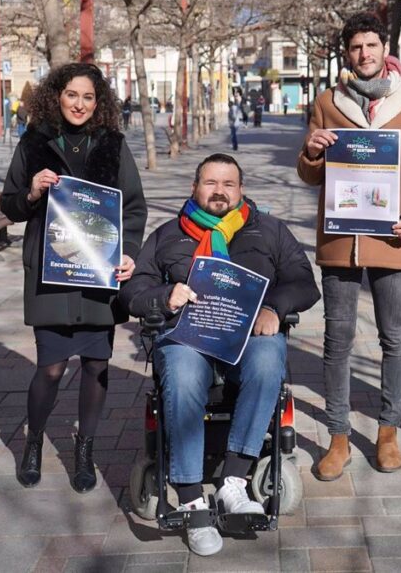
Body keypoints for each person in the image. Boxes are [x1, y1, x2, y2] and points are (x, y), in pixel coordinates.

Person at [121, 153, 320, 556]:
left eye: (228, 184)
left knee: (269, 359)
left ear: (241, 190)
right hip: (187, 337)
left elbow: (304, 282)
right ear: (195, 188)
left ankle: (233, 481)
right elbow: (133, 293)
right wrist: (165, 295)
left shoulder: (269, 231)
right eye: (210, 183)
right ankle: (192, 497)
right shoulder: (167, 235)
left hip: (249, 336)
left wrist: (274, 308)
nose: (219, 191)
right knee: (181, 372)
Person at [296, 12, 401, 480]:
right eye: (355, 47)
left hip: (393, 238)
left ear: (386, 49)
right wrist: (313, 151)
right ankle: (338, 437)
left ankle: (388, 432)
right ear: (347, 54)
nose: (364, 54)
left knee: (394, 337)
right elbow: (309, 174)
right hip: (342, 239)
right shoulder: (327, 102)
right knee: (336, 340)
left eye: (371, 45)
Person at [0, 63, 148, 493]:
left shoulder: (113, 145)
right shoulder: (34, 142)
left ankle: (85, 448)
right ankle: (33, 442)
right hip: (52, 273)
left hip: (98, 274)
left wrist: (129, 253)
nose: (79, 104)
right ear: (56, 97)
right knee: (50, 368)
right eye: (71, 95)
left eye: (88, 97)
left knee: (96, 365)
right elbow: (9, 205)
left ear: (97, 102)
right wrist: (31, 192)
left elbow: (134, 207)